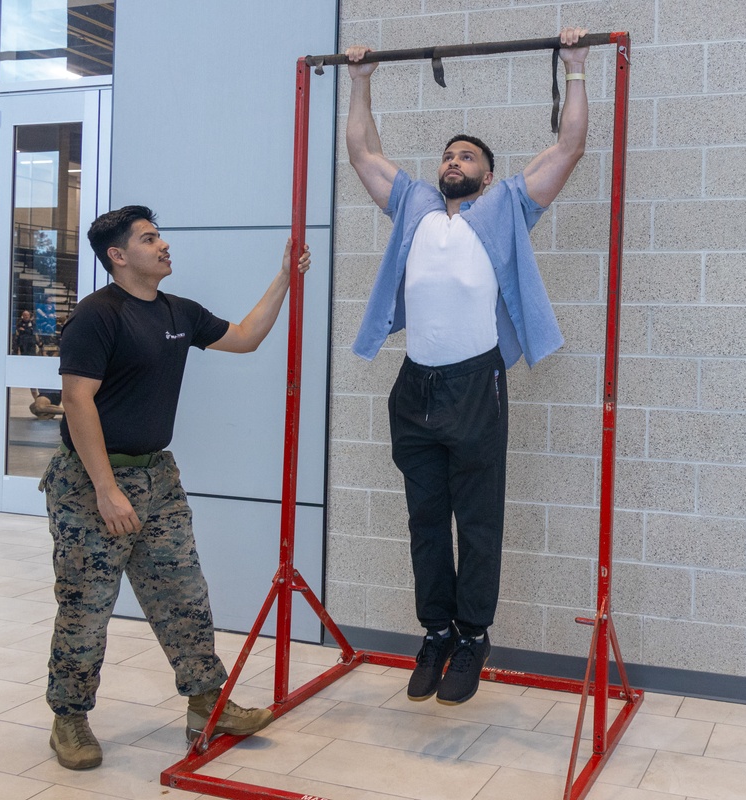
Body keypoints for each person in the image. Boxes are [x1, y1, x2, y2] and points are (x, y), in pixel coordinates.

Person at [345, 26, 589, 706]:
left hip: (476, 383)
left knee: (475, 519)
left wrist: (574, 67)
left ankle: (474, 636)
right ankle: (437, 632)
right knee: (426, 517)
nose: (453, 161)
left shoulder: (509, 204)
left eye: (467, 156)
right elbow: (362, 151)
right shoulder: (415, 203)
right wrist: (361, 79)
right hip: (414, 385)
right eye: (448, 154)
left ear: (486, 170)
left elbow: (568, 146)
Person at [41, 205, 310, 771]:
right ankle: (69, 718)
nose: (163, 245)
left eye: (159, 235)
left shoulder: (177, 311)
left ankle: (206, 703)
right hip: (92, 483)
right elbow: (76, 400)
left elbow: (245, 338)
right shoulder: (97, 316)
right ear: (118, 256)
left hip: (157, 477)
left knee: (183, 595)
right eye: (148, 238)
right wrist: (106, 489)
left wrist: (285, 276)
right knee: (86, 607)